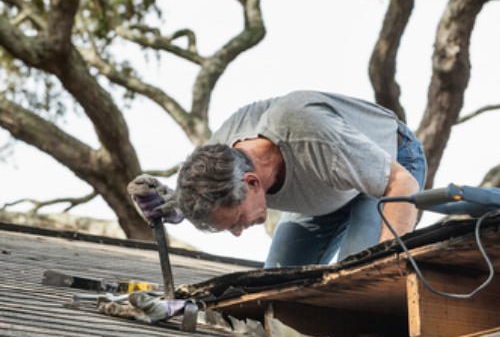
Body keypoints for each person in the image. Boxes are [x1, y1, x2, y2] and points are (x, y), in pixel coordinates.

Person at [129, 90, 427, 268]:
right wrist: (172, 205)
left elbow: (401, 183)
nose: (238, 233)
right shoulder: (218, 159)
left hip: (390, 164)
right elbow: (204, 200)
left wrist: (386, 271)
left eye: (236, 221)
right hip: (326, 183)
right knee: (273, 287)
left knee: (360, 273)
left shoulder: (312, 136)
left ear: (253, 183)